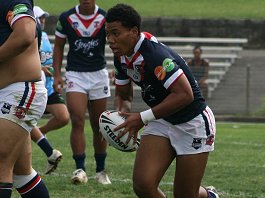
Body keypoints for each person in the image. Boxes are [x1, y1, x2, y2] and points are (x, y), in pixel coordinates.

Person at [105, 4, 219, 198]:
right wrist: (120, 119)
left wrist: (141, 118)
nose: (110, 40)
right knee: (143, 184)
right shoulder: (121, 56)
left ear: (134, 32)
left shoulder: (154, 55)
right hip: (162, 118)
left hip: (192, 122)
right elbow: (124, 95)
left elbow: (185, 94)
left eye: (115, 33)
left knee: (185, 195)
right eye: (107, 34)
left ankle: (210, 196)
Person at [53, 0, 111, 185]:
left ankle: (101, 171)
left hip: (99, 74)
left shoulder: (105, 17)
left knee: (99, 124)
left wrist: (120, 69)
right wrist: (56, 75)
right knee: (77, 119)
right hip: (75, 74)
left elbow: (116, 43)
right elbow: (59, 47)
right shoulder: (66, 17)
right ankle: (80, 169)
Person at [0, 1, 50, 197]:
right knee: (22, 175)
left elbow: (25, 33)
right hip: (9, 91)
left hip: (19, 90)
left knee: (1, 164)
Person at [30, 6, 70, 175]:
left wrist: (54, 73)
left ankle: (38, 134)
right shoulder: (29, 35)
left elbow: (51, 61)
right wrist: (41, 68)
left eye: (44, 17)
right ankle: (46, 148)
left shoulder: (45, 36)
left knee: (63, 117)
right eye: (40, 18)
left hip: (48, 87)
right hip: (33, 86)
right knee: (24, 121)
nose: (43, 20)